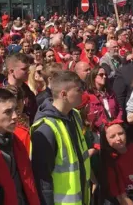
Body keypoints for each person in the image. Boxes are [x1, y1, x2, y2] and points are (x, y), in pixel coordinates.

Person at [31, 71, 92, 205]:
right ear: (63, 94)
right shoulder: (46, 128)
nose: (83, 93)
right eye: (78, 90)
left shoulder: (74, 115)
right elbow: (42, 180)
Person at [99, 121, 133, 205]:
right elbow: (121, 196)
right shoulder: (110, 161)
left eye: (120, 133)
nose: (118, 138)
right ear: (106, 140)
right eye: (112, 136)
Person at [85, 66, 123, 134]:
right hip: (99, 132)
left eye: (105, 74)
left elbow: (119, 108)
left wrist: (117, 121)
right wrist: (105, 126)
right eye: (101, 75)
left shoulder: (110, 93)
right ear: (94, 77)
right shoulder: (88, 95)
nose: (104, 76)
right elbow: (89, 115)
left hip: (114, 127)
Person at [5, 53, 38, 125]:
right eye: (24, 69)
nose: (28, 72)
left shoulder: (27, 91)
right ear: (11, 71)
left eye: (28, 68)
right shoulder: (1, 93)